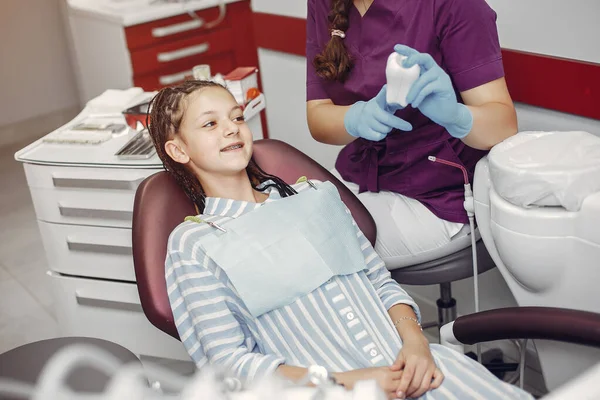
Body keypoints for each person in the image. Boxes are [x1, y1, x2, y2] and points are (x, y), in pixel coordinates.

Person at [146, 80, 532, 400]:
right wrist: (351, 383)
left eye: (236, 118)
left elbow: (381, 282)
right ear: (179, 150)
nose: (232, 128)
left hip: (422, 370)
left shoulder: (316, 195)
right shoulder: (196, 243)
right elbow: (229, 365)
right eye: (210, 125)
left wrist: (417, 346)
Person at [305, 0, 518, 268]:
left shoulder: (453, 4)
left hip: (441, 194)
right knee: (285, 232)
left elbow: (504, 124)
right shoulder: (323, 2)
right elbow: (317, 115)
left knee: (314, 255)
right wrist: (355, 118)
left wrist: (457, 116)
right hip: (362, 174)